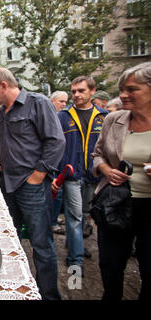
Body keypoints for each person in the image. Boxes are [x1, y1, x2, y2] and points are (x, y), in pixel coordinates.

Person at [0, 67, 65, 300]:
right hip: (9, 184)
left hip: (30, 185)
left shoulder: (37, 102)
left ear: (3, 85)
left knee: (41, 244)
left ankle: (49, 295)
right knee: (11, 239)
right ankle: (14, 291)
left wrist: (38, 175)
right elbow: (4, 139)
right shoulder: (3, 111)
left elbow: (56, 141)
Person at [91, 62, 151, 300]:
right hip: (116, 203)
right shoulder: (113, 120)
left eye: (132, 89)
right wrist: (106, 170)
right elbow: (97, 155)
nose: (123, 95)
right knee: (110, 265)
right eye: (122, 89)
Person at [52, 76, 109, 270]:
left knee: (84, 214)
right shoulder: (63, 116)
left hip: (94, 174)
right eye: (73, 91)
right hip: (71, 175)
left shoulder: (104, 116)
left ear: (92, 91)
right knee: (74, 216)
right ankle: (75, 260)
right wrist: (55, 174)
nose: (76, 95)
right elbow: (54, 146)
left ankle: (74, 245)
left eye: (81, 91)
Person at [49, 91, 69, 234]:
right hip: (51, 163)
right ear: (52, 100)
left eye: (65, 102)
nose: (63, 104)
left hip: (62, 162)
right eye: (60, 101)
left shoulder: (64, 117)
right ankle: (52, 221)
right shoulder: (49, 117)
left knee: (59, 194)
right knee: (55, 193)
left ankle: (54, 218)